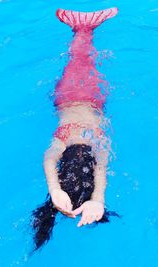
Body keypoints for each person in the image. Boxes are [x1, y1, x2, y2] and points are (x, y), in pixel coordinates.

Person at [31, 7, 120, 251]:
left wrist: (56, 190)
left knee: (83, 59)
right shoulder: (84, 143)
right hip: (70, 99)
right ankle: (83, 28)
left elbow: (51, 160)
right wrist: (95, 199)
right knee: (80, 59)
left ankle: (82, 28)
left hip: (86, 99)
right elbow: (53, 160)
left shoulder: (91, 143)